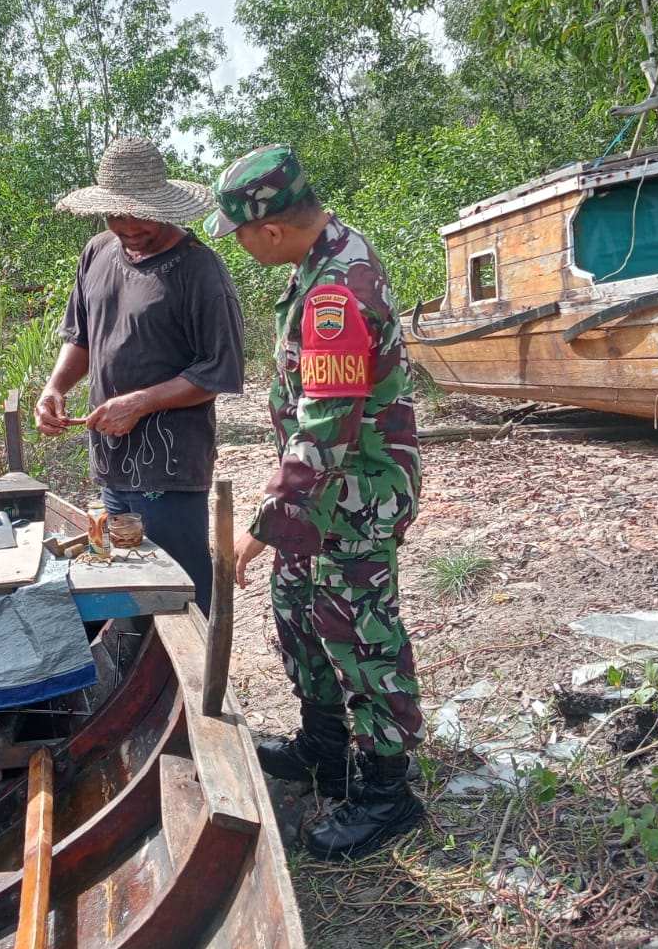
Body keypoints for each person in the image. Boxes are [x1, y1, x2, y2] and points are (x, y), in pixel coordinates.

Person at [204, 143, 424, 859]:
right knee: (299, 612)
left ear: (269, 230)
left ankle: (387, 794)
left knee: (363, 639)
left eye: (239, 234)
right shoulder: (314, 264)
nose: (239, 247)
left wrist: (261, 527)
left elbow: (327, 428)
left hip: (354, 495)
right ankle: (325, 750)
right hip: (319, 496)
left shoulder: (336, 290)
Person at [35, 136, 245, 614]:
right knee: (127, 581)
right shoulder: (97, 252)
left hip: (170, 469)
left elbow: (220, 370)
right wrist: (55, 387)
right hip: (112, 461)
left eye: (140, 214)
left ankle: (202, 686)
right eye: (116, 215)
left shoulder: (200, 272)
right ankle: (144, 669)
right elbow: (83, 338)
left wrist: (141, 402)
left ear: (165, 207)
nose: (128, 227)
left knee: (180, 587)